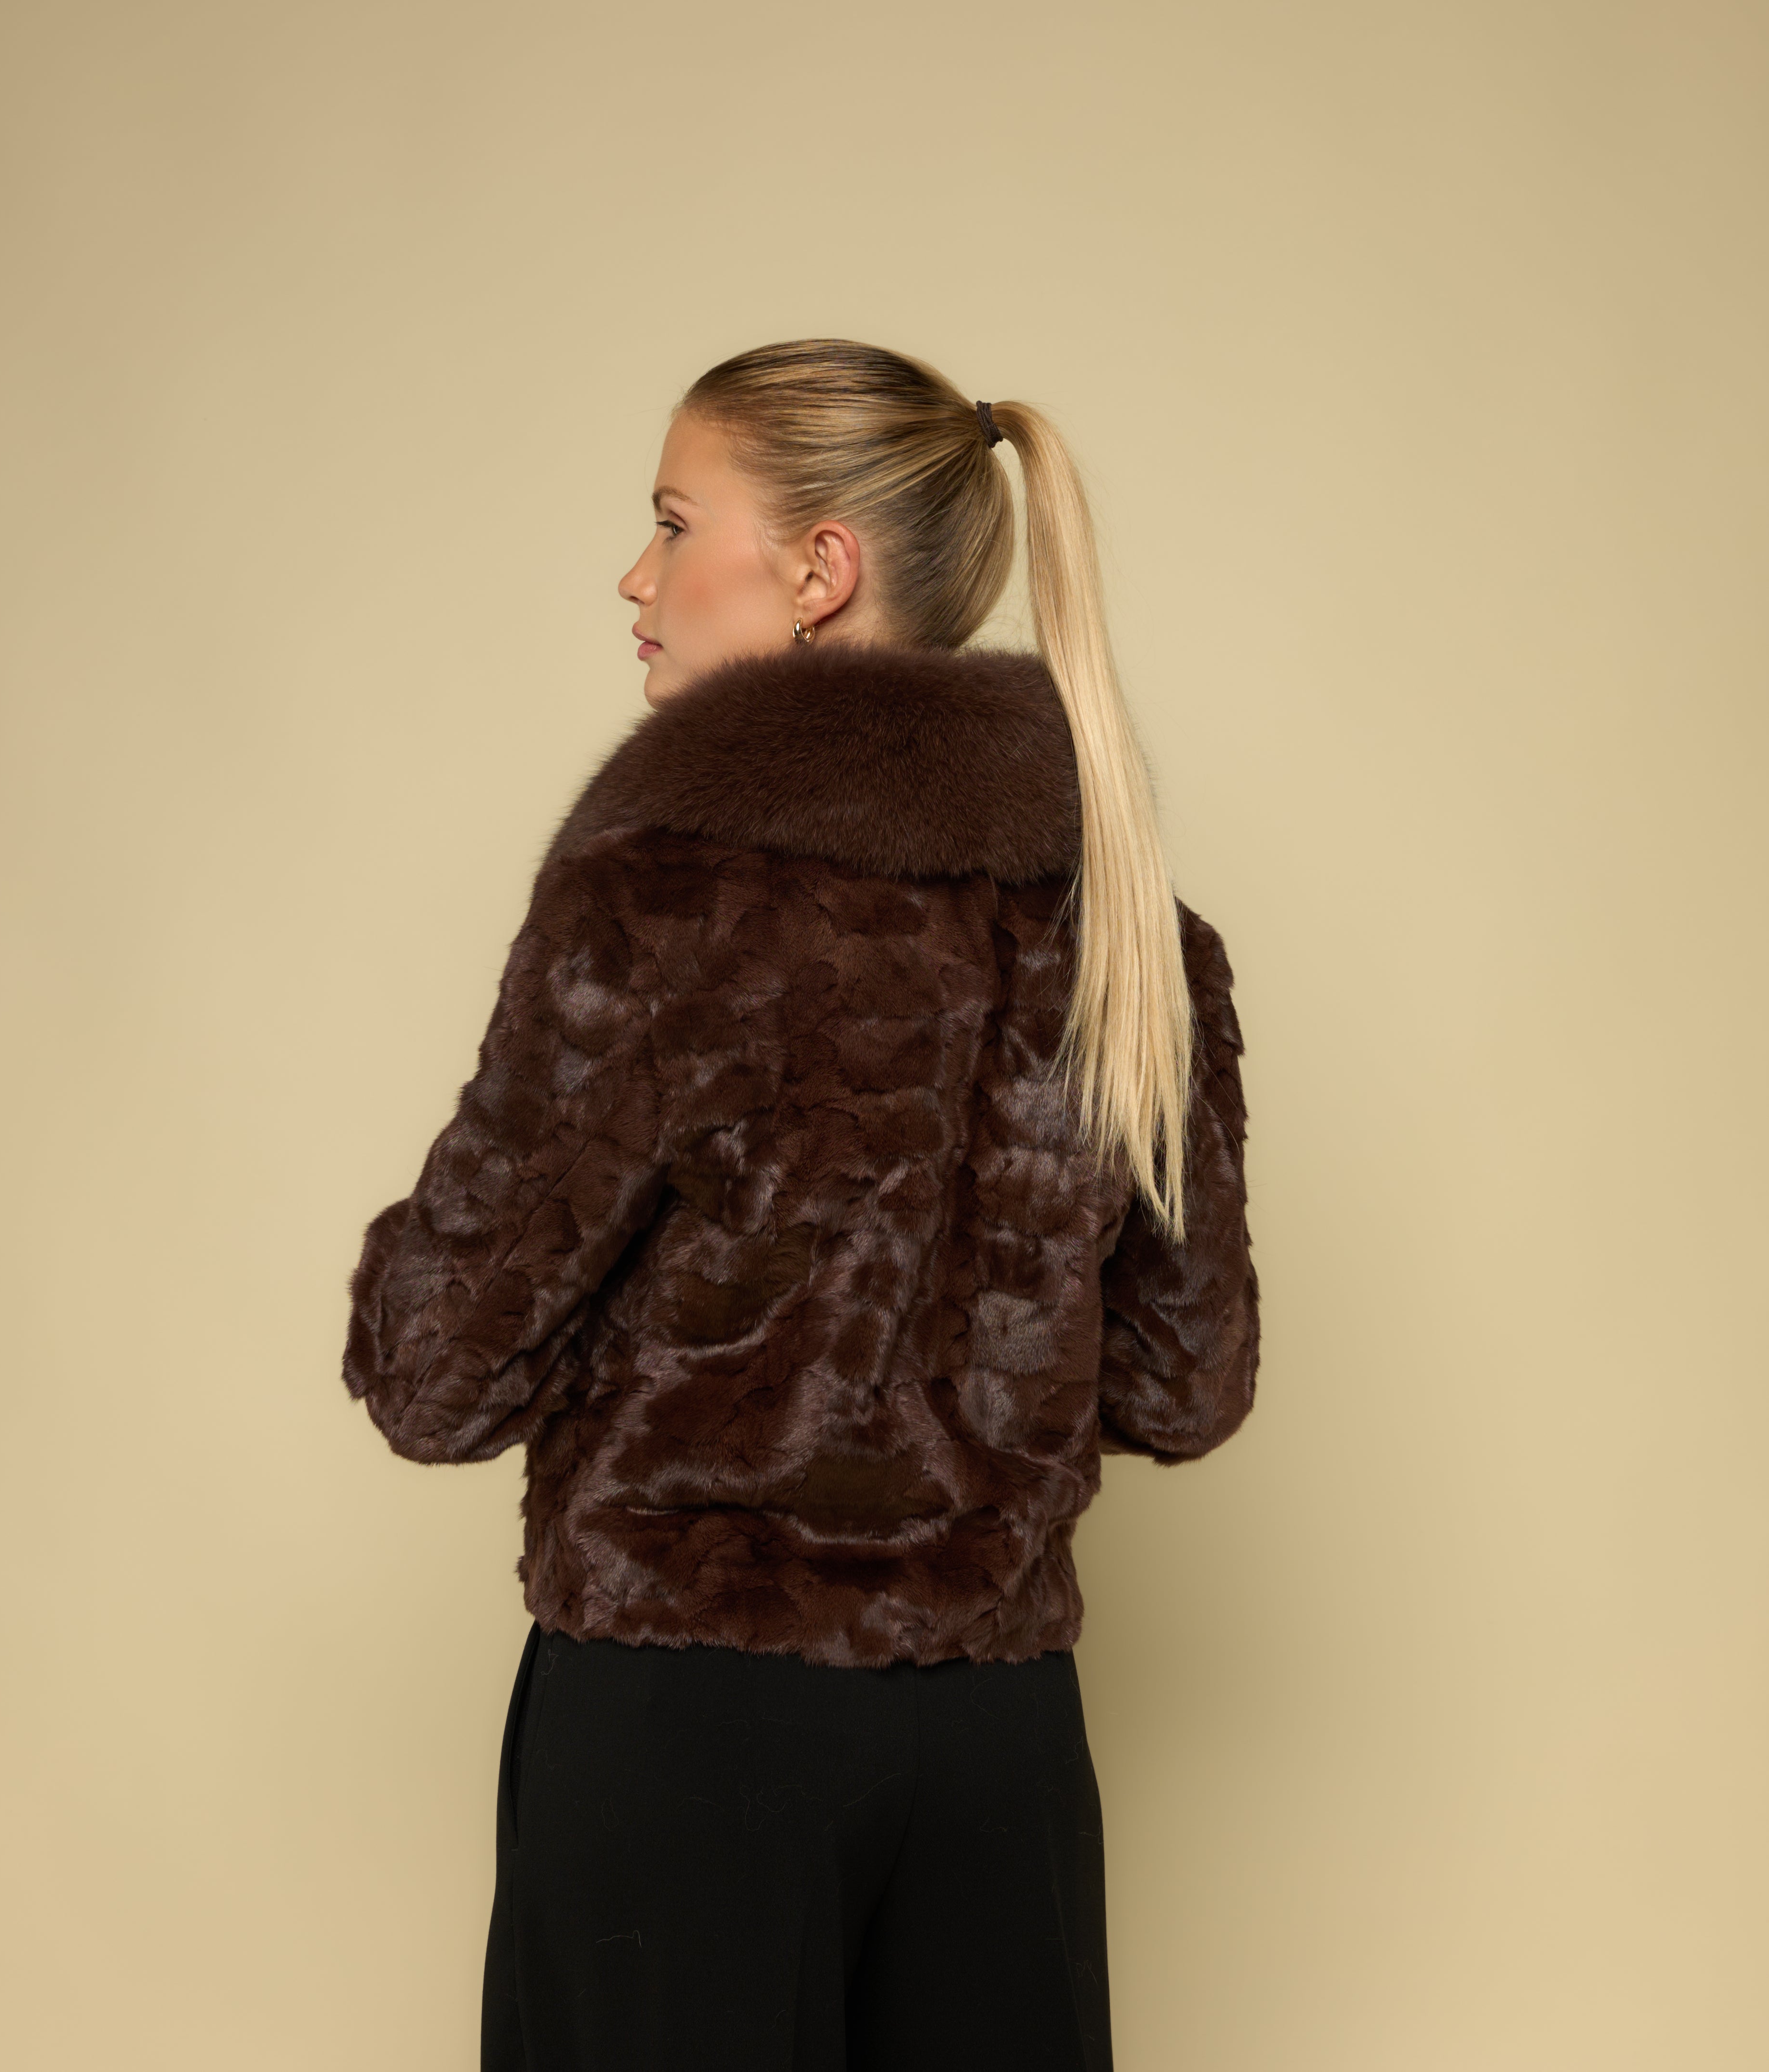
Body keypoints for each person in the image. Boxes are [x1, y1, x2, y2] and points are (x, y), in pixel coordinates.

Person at [342, 338, 1259, 2072]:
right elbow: (1183, 1381)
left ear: (820, 569)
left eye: (674, 521)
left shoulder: (660, 902)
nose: (637, 576)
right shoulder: (1128, 921)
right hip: (999, 1748)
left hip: (688, 1734)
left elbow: (436, 1373)